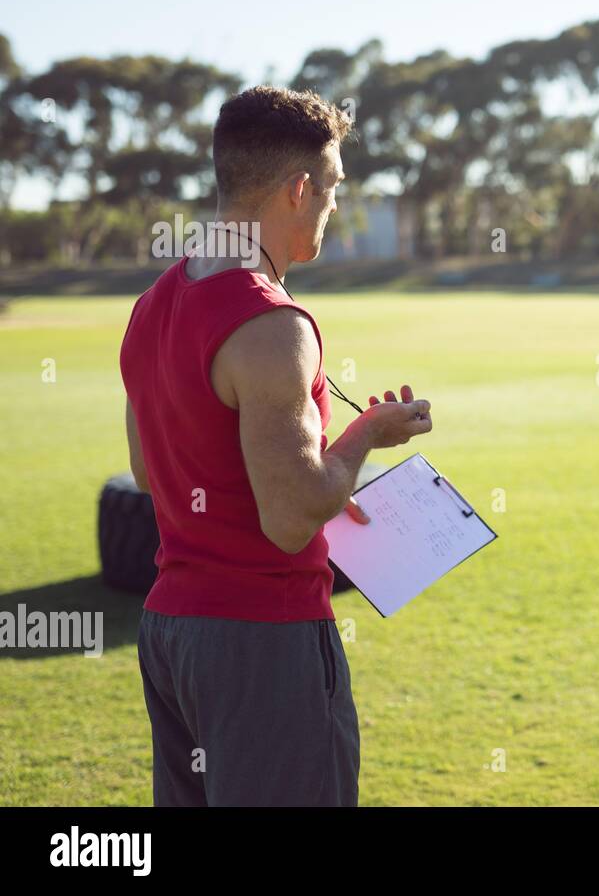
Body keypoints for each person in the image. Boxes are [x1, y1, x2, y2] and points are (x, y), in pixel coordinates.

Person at [120, 85, 432, 805]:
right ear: (298, 189)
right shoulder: (272, 323)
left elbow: (149, 471)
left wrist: (323, 467)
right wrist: (363, 437)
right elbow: (291, 518)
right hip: (263, 640)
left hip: (172, 631)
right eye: (333, 189)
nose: (333, 207)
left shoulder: (152, 304)